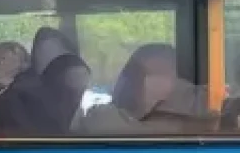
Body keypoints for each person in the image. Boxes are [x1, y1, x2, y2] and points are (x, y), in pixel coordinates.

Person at [76, 43, 214, 136]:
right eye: (138, 74)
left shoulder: (202, 125)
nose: (142, 82)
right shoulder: (102, 118)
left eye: (163, 73)